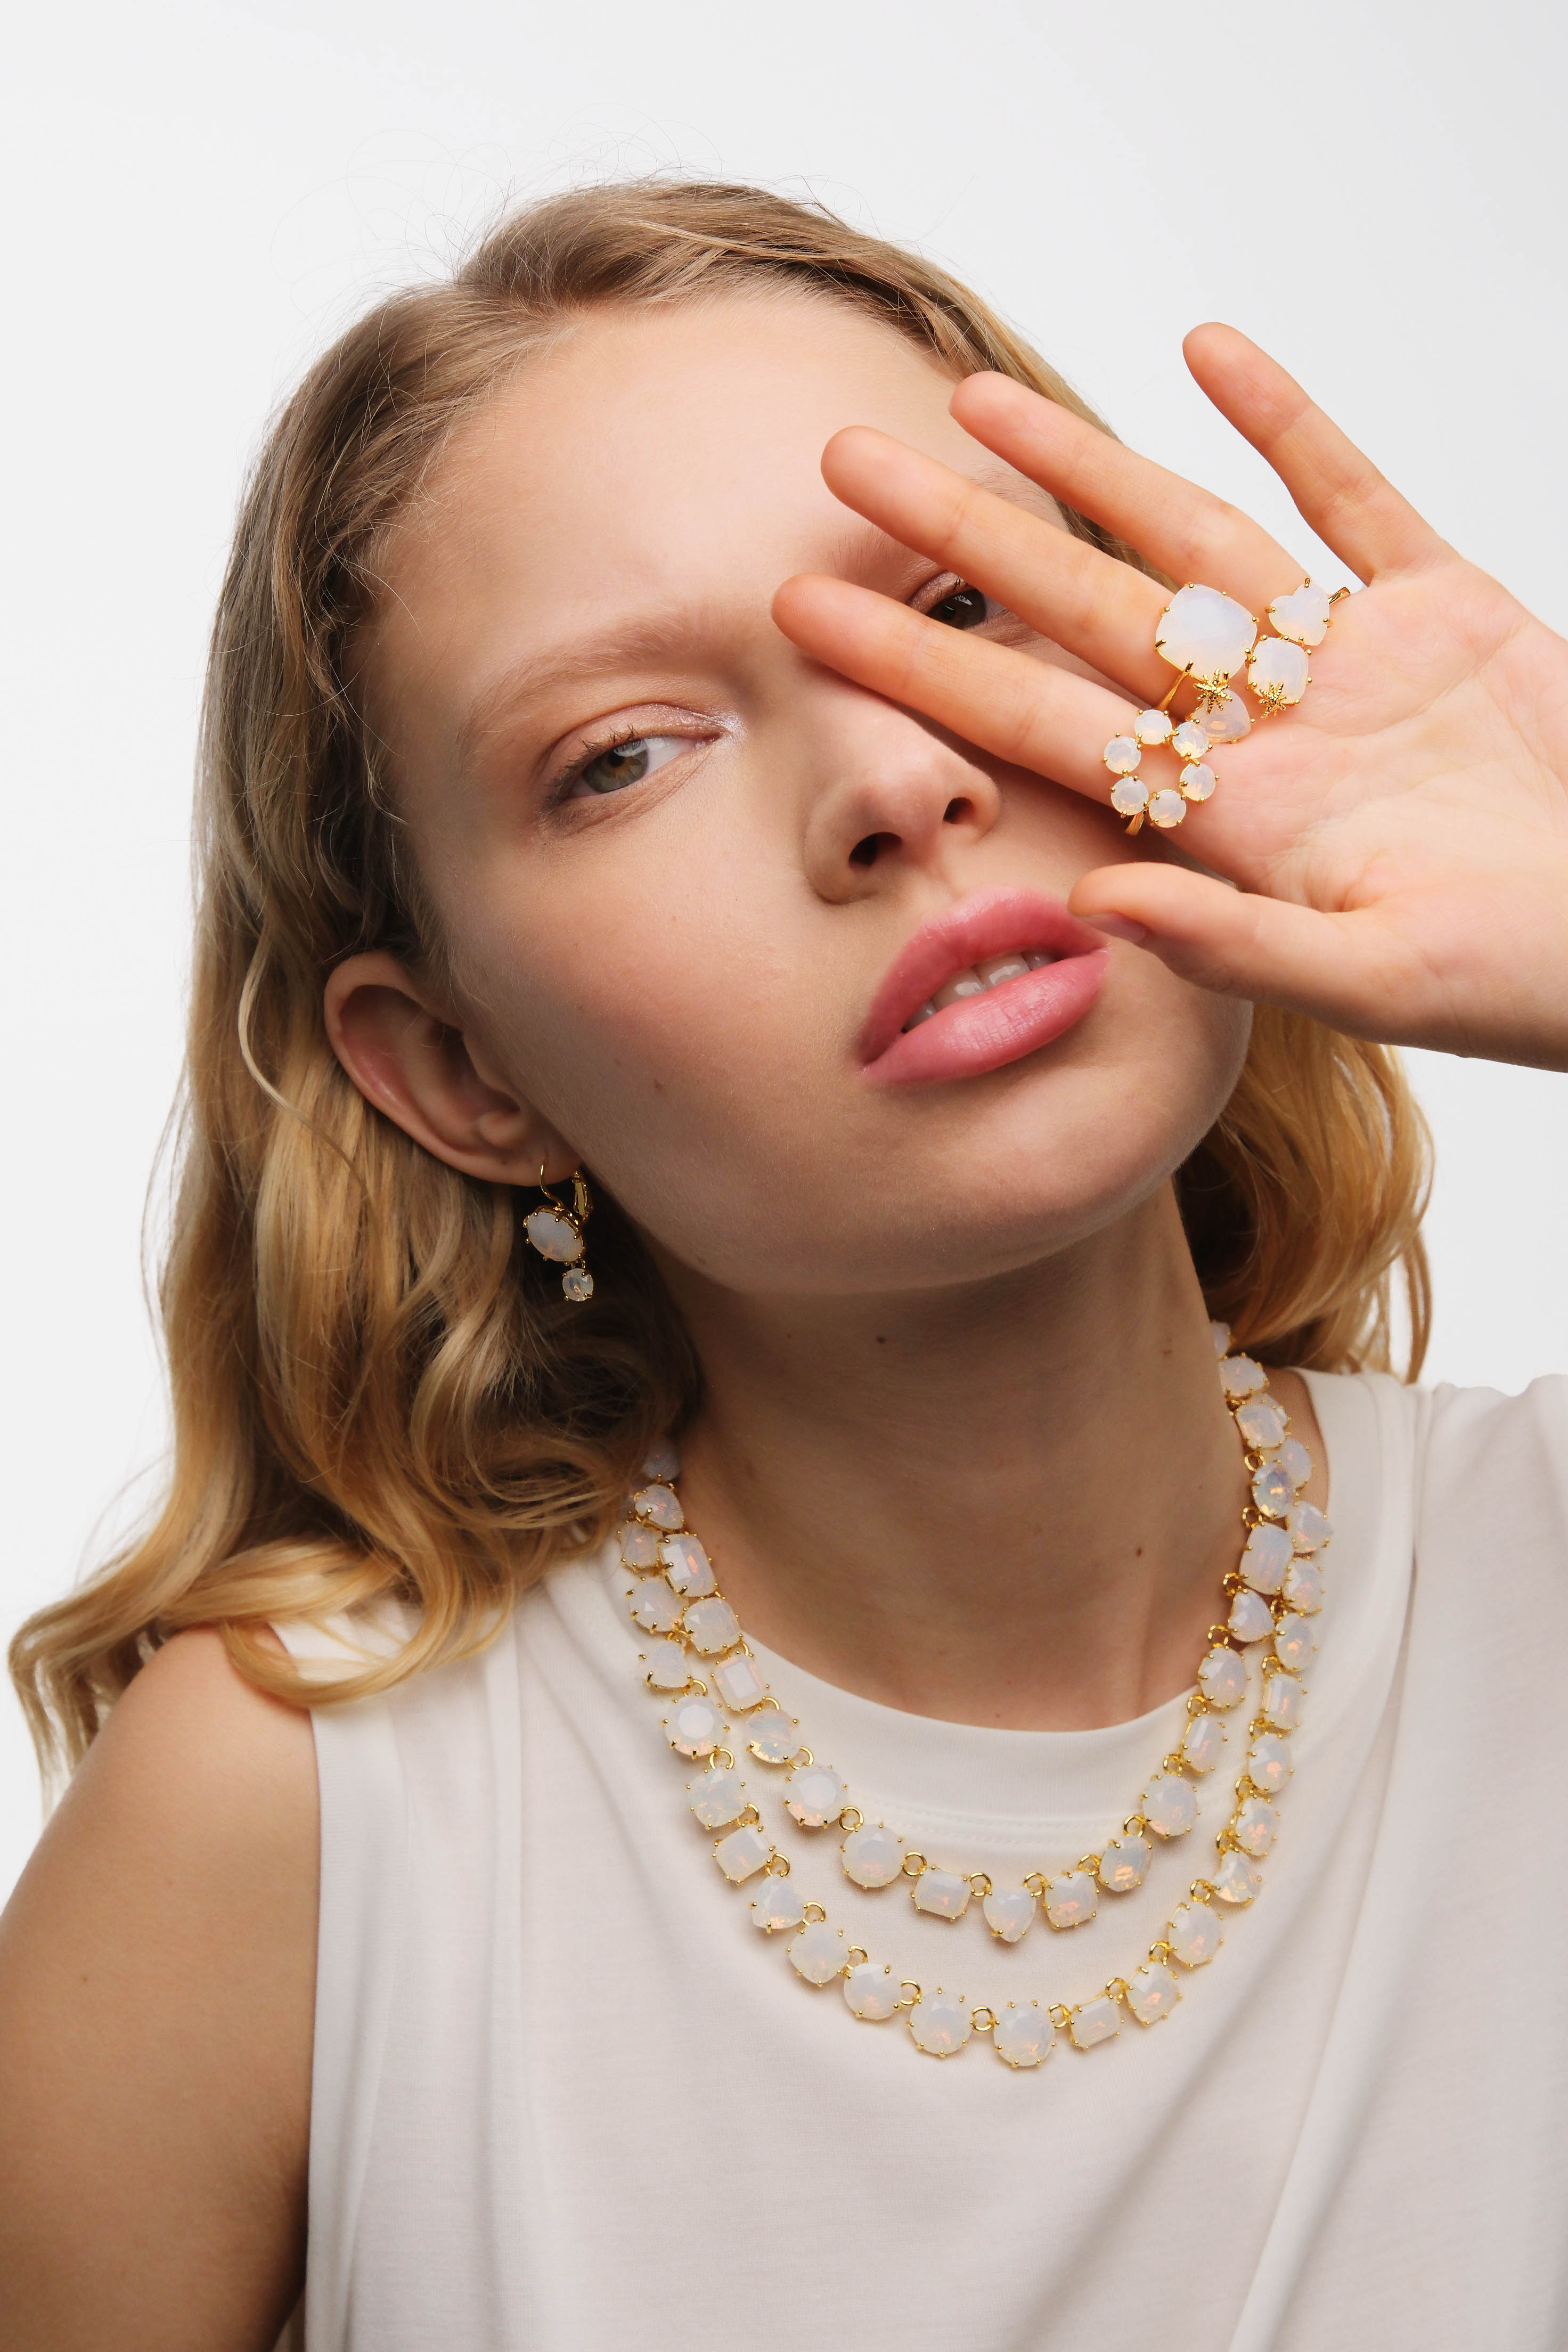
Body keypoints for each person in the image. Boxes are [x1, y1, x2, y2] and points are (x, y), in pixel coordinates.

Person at [3, 178, 1565, 2352]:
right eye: (621, 756)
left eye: (950, 606)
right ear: (458, 1068)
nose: (893, 783)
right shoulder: (296, 1816)